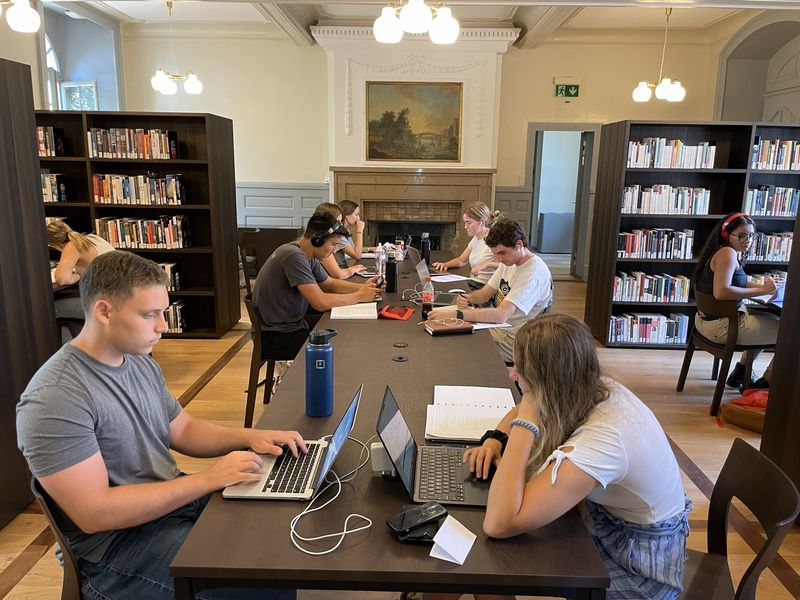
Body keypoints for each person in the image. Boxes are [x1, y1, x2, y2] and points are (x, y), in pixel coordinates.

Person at [16, 251, 301, 600]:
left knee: (276, 543)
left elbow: (182, 430)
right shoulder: (56, 397)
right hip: (112, 549)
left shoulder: (137, 360)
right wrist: (209, 479)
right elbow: (94, 512)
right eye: (150, 314)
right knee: (257, 587)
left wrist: (251, 436)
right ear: (104, 311)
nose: (163, 326)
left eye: (163, 312)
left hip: (169, 507)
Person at [427, 314, 691, 600]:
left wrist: (525, 423)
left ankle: (431, 592)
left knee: (487, 552)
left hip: (639, 563)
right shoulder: (586, 384)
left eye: (519, 368)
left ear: (546, 380)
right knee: (483, 555)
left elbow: (499, 524)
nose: (511, 374)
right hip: (603, 522)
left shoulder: (605, 439)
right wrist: (495, 438)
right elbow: (522, 410)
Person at [252, 211, 382, 362]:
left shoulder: (306, 254)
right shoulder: (293, 256)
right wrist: (359, 296)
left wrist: (362, 288)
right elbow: (320, 302)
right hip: (277, 337)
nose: (334, 250)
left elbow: (330, 284)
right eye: (333, 244)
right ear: (318, 240)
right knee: (346, 344)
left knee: (346, 328)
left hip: (292, 325)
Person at [428, 218, 553, 364]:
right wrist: (467, 298)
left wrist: (458, 314)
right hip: (501, 329)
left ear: (519, 244)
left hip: (515, 341)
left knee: (455, 344)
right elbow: (483, 294)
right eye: (496, 254)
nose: (498, 259)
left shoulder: (532, 273)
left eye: (502, 253)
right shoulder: (509, 262)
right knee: (447, 331)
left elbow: (501, 315)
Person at [692, 212, 780, 389]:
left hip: (708, 321)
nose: (747, 240)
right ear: (726, 234)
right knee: (791, 334)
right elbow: (722, 292)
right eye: (741, 235)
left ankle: (740, 372)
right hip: (724, 327)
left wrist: (758, 286)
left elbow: (735, 281)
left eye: (750, 235)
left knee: (771, 320)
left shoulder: (722, 251)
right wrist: (761, 290)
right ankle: (767, 381)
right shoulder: (728, 254)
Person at [47, 220, 116, 335]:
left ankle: (71, 350)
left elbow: (61, 279)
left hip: (107, 302)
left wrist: (78, 275)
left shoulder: (72, 247)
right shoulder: (92, 238)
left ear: (54, 245)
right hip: (121, 296)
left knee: (52, 309)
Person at [432, 202, 500, 284]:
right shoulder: (476, 238)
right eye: (465, 222)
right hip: (473, 283)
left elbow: (506, 265)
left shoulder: (494, 239)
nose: (465, 227)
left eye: (469, 223)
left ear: (481, 221)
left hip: (485, 287)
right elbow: (461, 260)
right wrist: (446, 265)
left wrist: (487, 264)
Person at [314, 202, 366, 279]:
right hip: (340, 272)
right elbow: (357, 255)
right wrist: (359, 231)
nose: (335, 250)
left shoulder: (340, 232)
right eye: (356, 214)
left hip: (341, 272)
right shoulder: (330, 238)